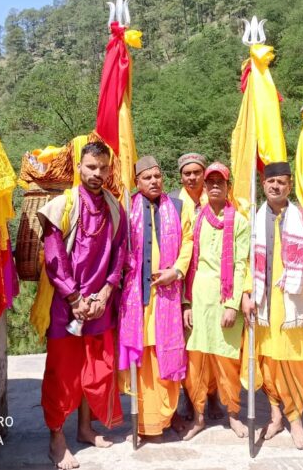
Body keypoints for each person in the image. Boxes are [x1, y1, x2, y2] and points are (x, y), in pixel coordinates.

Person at [37, 141, 126, 470]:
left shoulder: (114, 208)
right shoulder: (63, 205)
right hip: (67, 306)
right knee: (63, 372)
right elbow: (54, 259)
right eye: (91, 167)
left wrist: (105, 292)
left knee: (94, 369)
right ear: (79, 166)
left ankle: (85, 428)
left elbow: (119, 254)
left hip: (100, 304)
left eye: (103, 168)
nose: (97, 173)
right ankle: (56, 439)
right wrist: (74, 298)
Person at [241, 162, 303, 449]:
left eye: (281, 182)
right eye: (270, 181)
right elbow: (245, 261)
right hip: (263, 305)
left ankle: (296, 419)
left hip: (294, 305)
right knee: (268, 363)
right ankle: (276, 415)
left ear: (289, 186)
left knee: (296, 362)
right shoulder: (252, 217)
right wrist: (245, 294)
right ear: (263, 185)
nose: (276, 186)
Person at [118, 156, 193, 440]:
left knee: (167, 355)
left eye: (158, 176)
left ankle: (168, 415)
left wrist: (176, 271)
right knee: (145, 356)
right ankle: (145, 422)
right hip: (138, 298)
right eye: (147, 178)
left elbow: (188, 242)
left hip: (168, 296)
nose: (154, 182)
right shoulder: (127, 209)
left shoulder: (177, 207)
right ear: (137, 182)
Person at [181, 162, 249, 440]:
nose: (215, 186)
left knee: (227, 361)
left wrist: (233, 304)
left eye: (220, 182)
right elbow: (188, 260)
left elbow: (241, 264)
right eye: (211, 182)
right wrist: (186, 303)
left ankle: (233, 413)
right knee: (195, 362)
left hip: (225, 300)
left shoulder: (240, 221)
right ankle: (198, 417)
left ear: (228, 186)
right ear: (205, 187)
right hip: (198, 299)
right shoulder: (196, 218)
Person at [168, 152, 224, 421]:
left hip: (209, 283)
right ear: (180, 176)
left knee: (211, 342)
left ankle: (213, 395)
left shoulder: (215, 201)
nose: (192, 177)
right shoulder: (172, 204)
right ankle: (190, 397)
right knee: (187, 345)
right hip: (179, 282)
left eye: (196, 172)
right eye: (187, 173)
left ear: (204, 174)